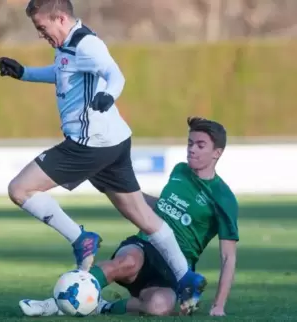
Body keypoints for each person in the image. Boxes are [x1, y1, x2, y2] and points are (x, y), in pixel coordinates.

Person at [0, 0, 206, 311]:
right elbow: (63, 72)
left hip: (88, 144)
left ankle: (80, 238)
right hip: (113, 142)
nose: (41, 34)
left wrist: (109, 93)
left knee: (20, 189)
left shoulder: (87, 44)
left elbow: (114, 73)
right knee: (143, 216)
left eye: (42, 27)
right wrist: (24, 73)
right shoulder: (68, 44)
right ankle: (185, 277)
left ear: (60, 17)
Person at [19, 117, 239, 317]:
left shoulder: (223, 198)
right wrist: (114, 188)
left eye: (200, 145)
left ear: (217, 152)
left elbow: (228, 258)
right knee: (127, 262)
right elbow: (160, 205)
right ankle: (54, 303)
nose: (191, 149)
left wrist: (218, 305)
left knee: (159, 306)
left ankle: (103, 307)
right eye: (190, 143)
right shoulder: (180, 171)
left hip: (177, 265)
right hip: (147, 244)